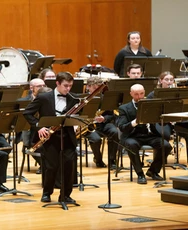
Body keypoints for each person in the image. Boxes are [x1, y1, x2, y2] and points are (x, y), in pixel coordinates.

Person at [23, 72, 79, 203]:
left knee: (68, 167)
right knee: (51, 167)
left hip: (68, 137)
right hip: (50, 137)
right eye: (65, 86)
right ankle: (47, 193)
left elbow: (79, 115)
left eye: (70, 86)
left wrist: (77, 124)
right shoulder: (44, 97)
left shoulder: (74, 99)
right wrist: (39, 126)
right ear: (57, 84)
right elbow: (28, 113)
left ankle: (65, 195)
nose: (68, 89)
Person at [116, 84, 172, 184]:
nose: (139, 97)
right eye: (136, 94)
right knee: (131, 145)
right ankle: (140, 174)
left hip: (150, 135)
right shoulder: (124, 108)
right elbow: (122, 127)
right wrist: (135, 122)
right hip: (133, 136)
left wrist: (165, 118)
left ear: (144, 92)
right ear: (131, 94)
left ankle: (153, 171)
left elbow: (160, 122)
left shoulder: (152, 105)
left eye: (141, 94)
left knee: (166, 146)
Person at [146, 71, 188, 166]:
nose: (169, 82)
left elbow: (186, 107)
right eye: (166, 79)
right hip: (161, 121)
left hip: (177, 120)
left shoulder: (178, 93)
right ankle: (161, 158)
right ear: (161, 81)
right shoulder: (153, 94)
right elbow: (150, 110)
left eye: (171, 80)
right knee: (165, 134)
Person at [83, 76, 119, 168]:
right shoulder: (82, 99)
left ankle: (112, 160)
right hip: (88, 126)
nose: (97, 91)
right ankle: (98, 160)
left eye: (99, 88)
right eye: (95, 88)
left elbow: (111, 115)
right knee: (96, 139)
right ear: (88, 87)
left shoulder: (106, 98)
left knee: (114, 132)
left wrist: (104, 118)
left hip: (104, 124)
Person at [17, 78, 47, 174]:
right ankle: (44, 165)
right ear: (31, 88)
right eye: (39, 86)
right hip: (29, 130)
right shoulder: (23, 101)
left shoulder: (48, 98)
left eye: (43, 86)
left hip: (44, 128)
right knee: (33, 144)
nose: (42, 88)